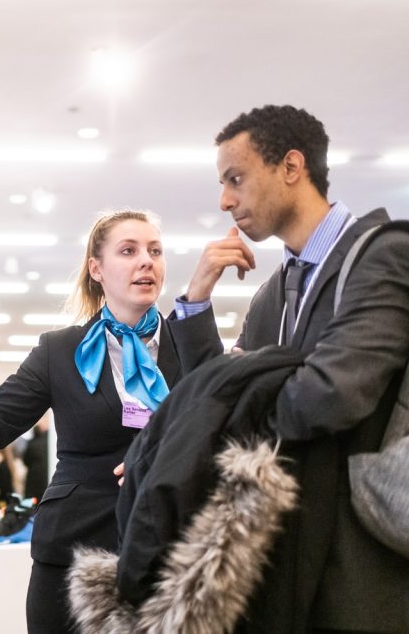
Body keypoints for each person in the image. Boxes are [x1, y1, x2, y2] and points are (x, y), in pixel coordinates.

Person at [0, 210, 221, 633]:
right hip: (73, 551)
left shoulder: (191, 344)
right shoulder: (60, 351)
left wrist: (163, 459)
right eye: (128, 251)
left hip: (168, 550)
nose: (146, 261)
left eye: (155, 251)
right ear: (96, 268)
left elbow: (219, 429)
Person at [175, 104, 409, 631]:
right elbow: (218, 393)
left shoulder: (381, 257)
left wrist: (234, 409)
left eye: (236, 178)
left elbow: (328, 396)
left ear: (291, 166)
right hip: (289, 566)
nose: (224, 200)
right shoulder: (271, 298)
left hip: (362, 573)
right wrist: (194, 303)